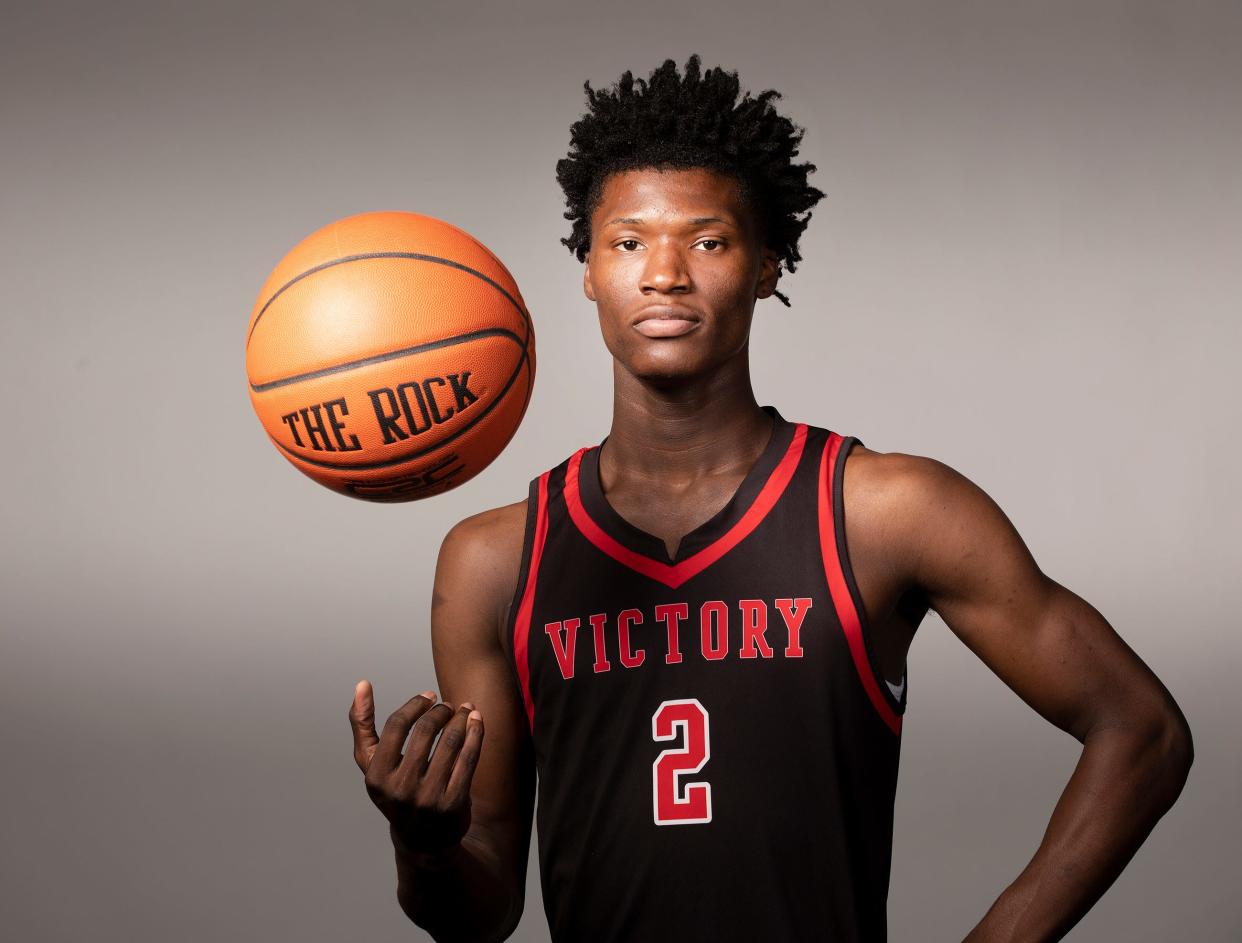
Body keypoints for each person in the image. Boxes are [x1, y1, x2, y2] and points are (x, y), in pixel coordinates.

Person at [347, 55, 1193, 942]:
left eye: (707, 241)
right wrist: (425, 842)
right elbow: (479, 912)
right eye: (627, 242)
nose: (664, 273)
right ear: (588, 270)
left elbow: (1143, 732)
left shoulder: (885, 513)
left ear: (766, 265)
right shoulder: (493, 562)